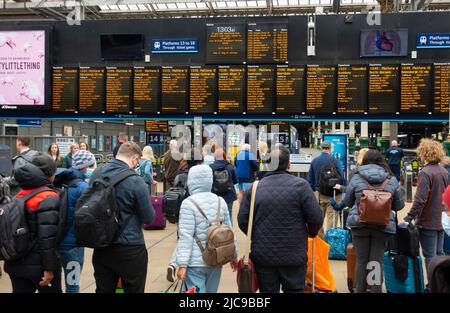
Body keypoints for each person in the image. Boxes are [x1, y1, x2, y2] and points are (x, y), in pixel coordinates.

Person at [238, 145, 323, 293]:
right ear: (289, 164)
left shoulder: (254, 188)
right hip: (294, 254)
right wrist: (311, 233)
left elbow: (242, 220)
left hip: (263, 256)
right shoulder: (301, 186)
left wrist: (257, 235)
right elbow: (316, 218)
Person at [336, 149, 405, 293]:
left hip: (359, 223)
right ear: (381, 161)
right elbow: (399, 205)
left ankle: (360, 290)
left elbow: (348, 202)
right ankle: (375, 290)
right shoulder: (391, 178)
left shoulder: (356, 177)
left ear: (365, 160)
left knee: (361, 261)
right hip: (382, 225)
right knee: (375, 262)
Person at [89, 142, 155, 293]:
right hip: (130, 247)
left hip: (102, 245)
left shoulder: (96, 174)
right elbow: (148, 218)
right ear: (134, 159)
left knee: (103, 290)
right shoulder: (135, 180)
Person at [4, 153, 61, 293]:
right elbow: (47, 238)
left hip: (16, 262)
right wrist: (49, 268)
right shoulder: (48, 197)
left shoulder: (19, 195)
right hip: (39, 267)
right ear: (49, 174)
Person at [176, 164, 237, 293]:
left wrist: (182, 264)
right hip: (216, 259)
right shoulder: (221, 201)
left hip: (195, 262)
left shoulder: (188, 203)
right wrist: (233, 256)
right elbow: (229, 232)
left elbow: (185, 236)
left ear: (191, 181)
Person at [403, 139, 450, 274]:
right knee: (440, 254)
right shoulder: (444, 172)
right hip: (441, 220)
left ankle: (432, 285)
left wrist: (409, 217)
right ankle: (441, 284)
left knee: (430, 256)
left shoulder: (426, 172)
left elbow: (420, 200)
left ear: (424, 153)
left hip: (427, 221)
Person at [53, 150, 95, 293]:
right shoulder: (83, 187)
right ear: (85, 166)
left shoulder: (58, 181)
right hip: (73, 246)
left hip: (54, 243)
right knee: (72, 284)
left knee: (54, 283)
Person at [308, 141, 345, 235]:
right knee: (331, 217)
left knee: (319, 218)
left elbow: (310, 179)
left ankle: (321, 240)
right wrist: (343, 188)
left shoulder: (315, 161)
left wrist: (315, 189)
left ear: (321, 148)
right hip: (334, 194)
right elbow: (341, 176)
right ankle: (329, 240)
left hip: (320, 194)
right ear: (330, 149)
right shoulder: (335, 160)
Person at [209, 147, 238, 225]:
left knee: (215, 215)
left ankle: (216, 233)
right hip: (229, 195)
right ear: (224, 156)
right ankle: (229, 233)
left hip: (215, 196)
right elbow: (235, 181)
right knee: (229, 214)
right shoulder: (230, 167)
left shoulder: (210, 167)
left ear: (214, 157)